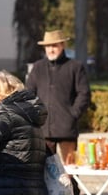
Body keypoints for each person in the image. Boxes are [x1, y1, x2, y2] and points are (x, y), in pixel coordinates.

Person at [25, 30, 90, 165]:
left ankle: (72, 188)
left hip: (67, 129)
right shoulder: (38, 67)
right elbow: (29, 94)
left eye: (54, 46)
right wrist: (36, 115)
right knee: (45, 171)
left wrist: (73, 114)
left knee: (71, 170)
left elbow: (84, 94)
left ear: (63, 45)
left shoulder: (75, 67)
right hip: (43, 129)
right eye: (48, 46)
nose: (51, 50)